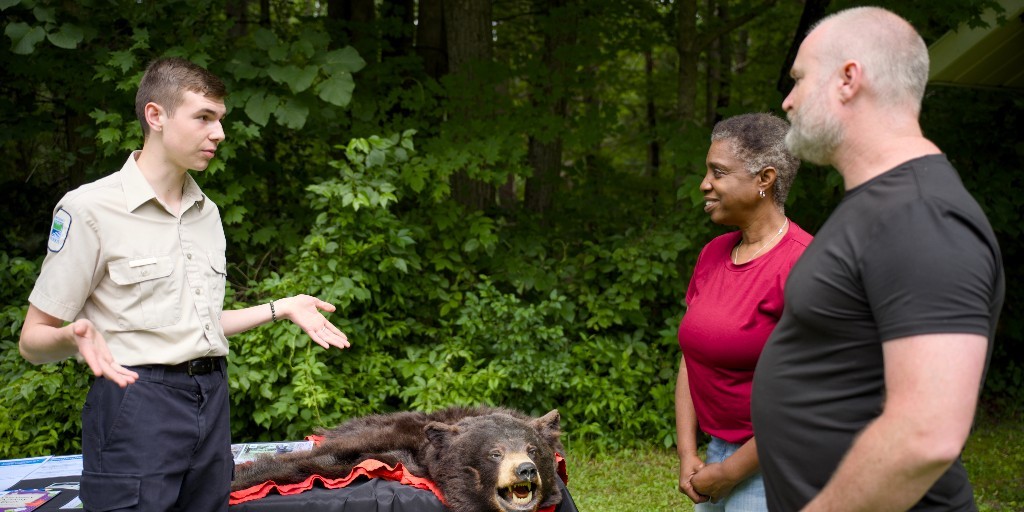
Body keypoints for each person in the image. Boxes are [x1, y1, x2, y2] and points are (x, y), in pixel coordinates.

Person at [18, 57, 351, 511]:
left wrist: (282, 307)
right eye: (203, 118)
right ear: (155, 116)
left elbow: (198, 322)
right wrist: (73, 340)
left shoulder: (206, 212)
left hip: (211, 398)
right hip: (136, 404)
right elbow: (32, 340)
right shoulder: (90, 209)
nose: (219, 133)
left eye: (220, 120)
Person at [752, 7, 1005, 512]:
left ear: (849, 79)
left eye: (799, 79)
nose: (788, 100)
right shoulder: (878, 206)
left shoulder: (920, 214)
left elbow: (925, 435)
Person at [675, 112, 812, 511]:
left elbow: (812, 397)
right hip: (717, 453)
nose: (705, 184)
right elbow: (691, 358)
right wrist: (688, 453)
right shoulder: (713, 253)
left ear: (764, 179)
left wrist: (733, 470)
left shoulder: (805, 266)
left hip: (779, 460)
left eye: (718, 173)